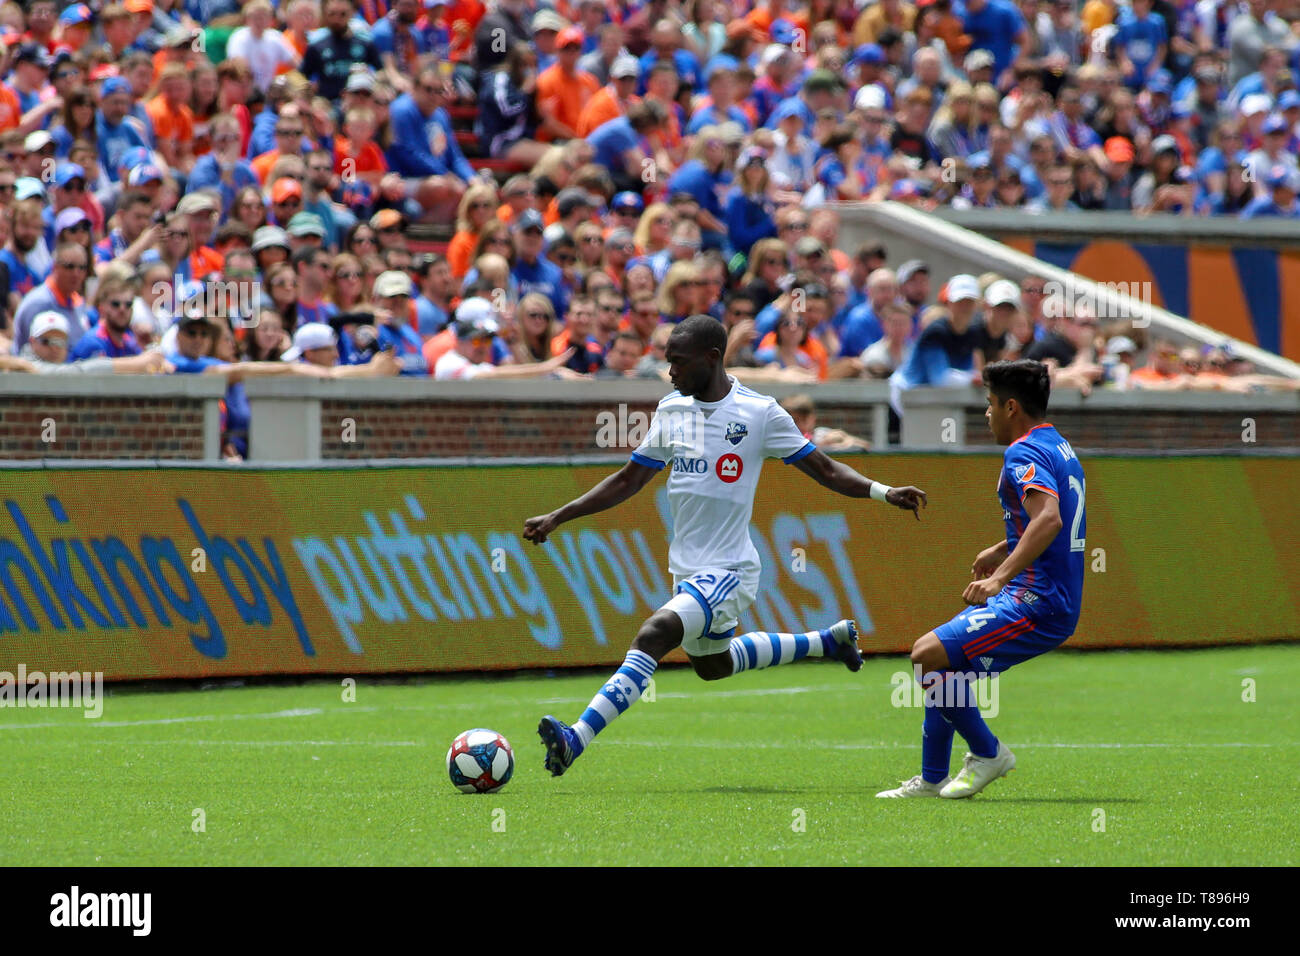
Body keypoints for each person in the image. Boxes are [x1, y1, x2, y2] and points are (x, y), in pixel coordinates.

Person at [524, 314, 928, 778]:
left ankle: (576, 738)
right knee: (712, 665)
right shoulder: (673, 410)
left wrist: (883, 491)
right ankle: (826, 642)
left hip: (731, 570)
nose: (670, 371)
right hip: (687, 568)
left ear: (711, 358)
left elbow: (827, 470)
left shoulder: (759, 413)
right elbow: (628, 480)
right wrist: (559, 516)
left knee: (655, 634)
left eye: (677, 362)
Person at [878, 359, 1085, 799]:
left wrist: (999, 578)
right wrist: (1003, 547)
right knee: (944, 667)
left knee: (925, 654)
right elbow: (1055, 518)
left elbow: (1048, 520)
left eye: (990, 404)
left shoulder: (1023, 451)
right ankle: (932, 780)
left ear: (1012, 406)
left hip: (1036, 600)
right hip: (1046, 595)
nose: (987, 414)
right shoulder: (1058, 445)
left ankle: (988, 753)